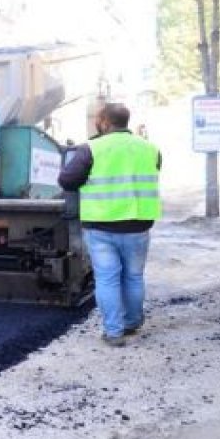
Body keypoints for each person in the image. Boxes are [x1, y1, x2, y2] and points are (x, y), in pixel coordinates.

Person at [58, 103, 161, 348]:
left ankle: (114, 332)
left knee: (107, 279)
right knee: (134, 276)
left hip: (102, 227)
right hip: (138, 224)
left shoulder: (90, 149)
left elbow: (66, 180)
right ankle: (133, 322)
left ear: (104, 121)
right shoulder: (150, 149)